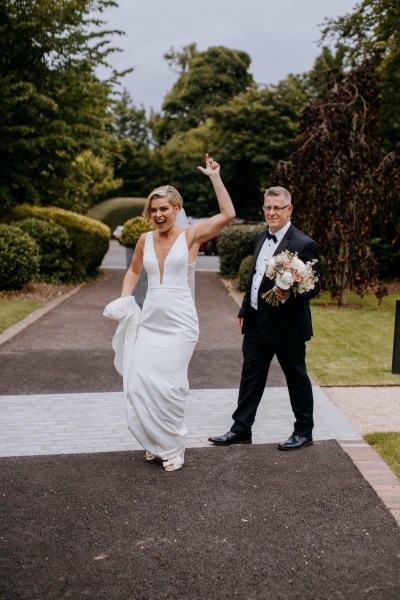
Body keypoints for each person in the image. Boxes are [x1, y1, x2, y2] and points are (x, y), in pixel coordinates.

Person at [120, 155, 235, 472]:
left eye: (164, 209)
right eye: (153, 209)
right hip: (150, 321)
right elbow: (132, 272)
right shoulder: (144, 240)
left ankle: (174, 448)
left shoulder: (191, 236)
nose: (158, 215)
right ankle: (154, 441)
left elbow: (228, 214)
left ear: (176, 209)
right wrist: (124, 300)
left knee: (169, 386)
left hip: (180, 322)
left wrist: (214, 177)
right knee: (140, 383)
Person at [208, 186, 320, 451]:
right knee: (250, 377)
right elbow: (254, 281)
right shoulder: (261, 237)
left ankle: (304, 432)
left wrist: (288, 289)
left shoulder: (304, 244)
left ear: (289, 209)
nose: (271, 212)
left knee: (296, 378)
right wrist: (245, 310)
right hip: (257, 324)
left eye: (277, 208)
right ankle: (240, 430)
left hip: (287, 327)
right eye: (267, 207)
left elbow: (314, 287)